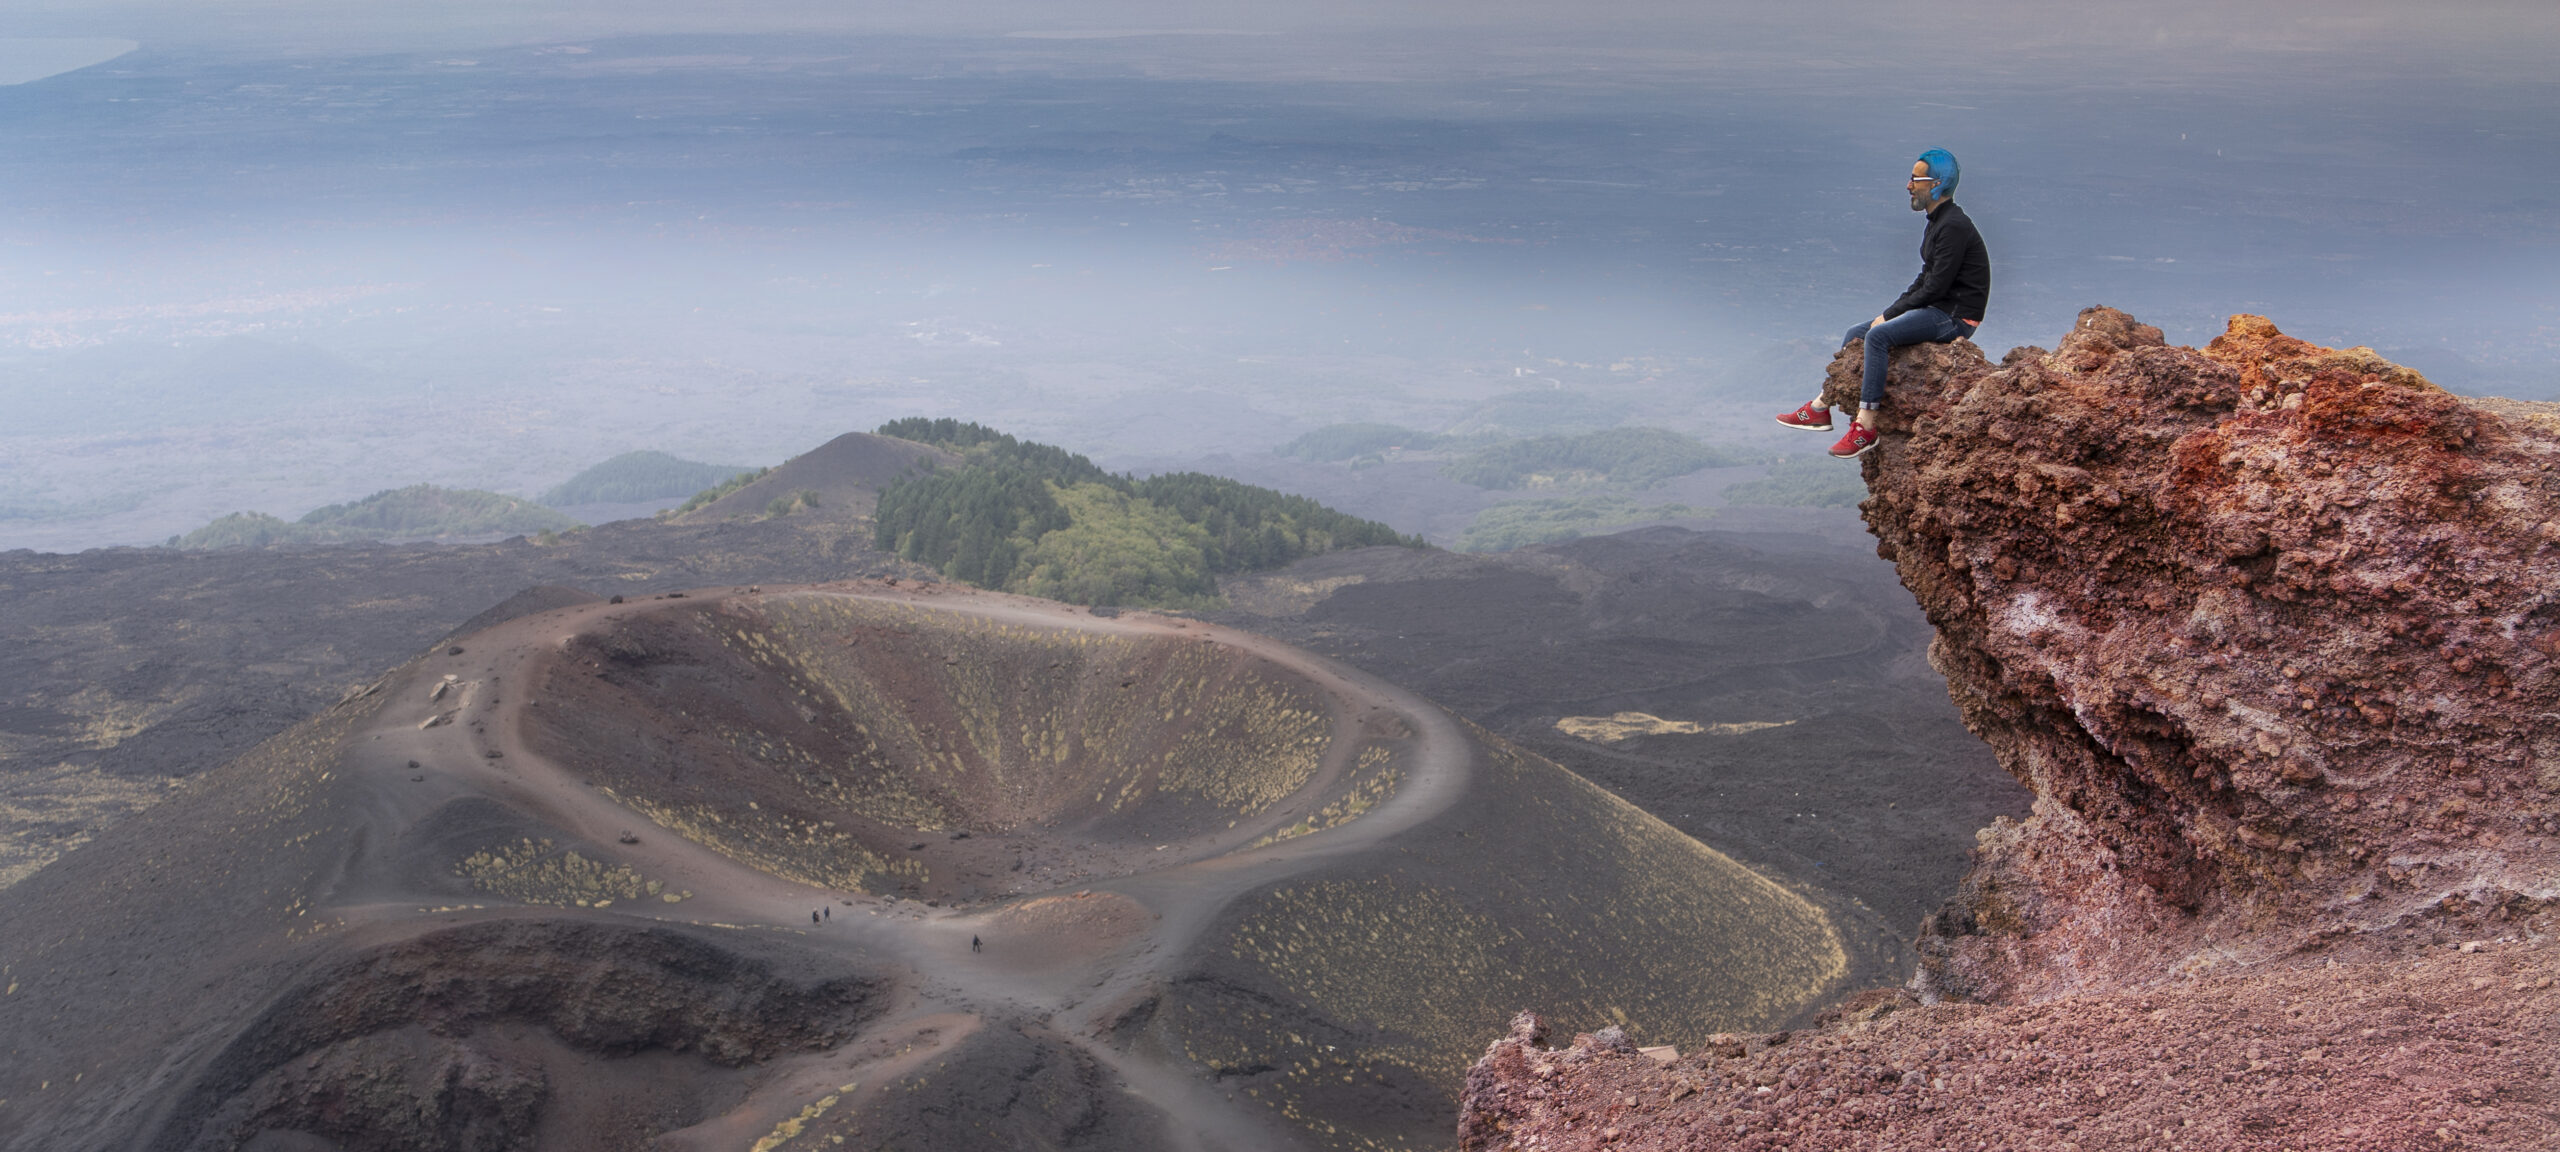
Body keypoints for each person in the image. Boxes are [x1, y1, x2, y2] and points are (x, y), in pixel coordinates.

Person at [1776, 148, 1990, 458]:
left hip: (1956, 316)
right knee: (1857, 332)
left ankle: (1866, 427)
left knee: (1878, 336)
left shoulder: (1953, 226)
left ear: (1936, 184)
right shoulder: (1937, 222)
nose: (1908, 185)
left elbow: (1936, 286)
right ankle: (1821, 406)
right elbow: (1925, 279)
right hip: (1938, 308)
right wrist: (1889, 312)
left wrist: (1890, 317)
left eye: (1916, 179)